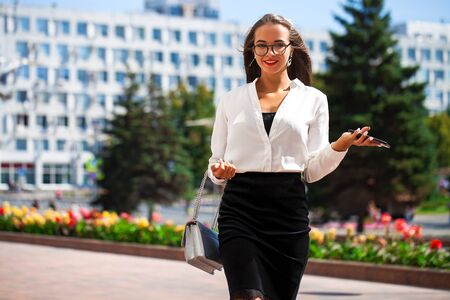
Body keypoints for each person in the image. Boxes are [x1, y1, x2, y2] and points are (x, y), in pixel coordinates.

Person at [207, 14, 382, 300]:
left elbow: (311, 170)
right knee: (247, 296)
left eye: (278, 45)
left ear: (292, 49)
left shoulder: (314, 99)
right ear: (252, 51)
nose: (269, 53)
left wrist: (340, 145)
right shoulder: (231, 100)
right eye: (261, 46)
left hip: (287, 215)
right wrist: (220, 171)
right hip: (240, 210)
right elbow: (215, 161)